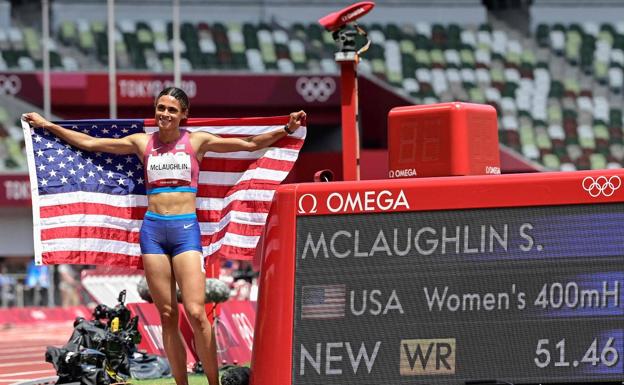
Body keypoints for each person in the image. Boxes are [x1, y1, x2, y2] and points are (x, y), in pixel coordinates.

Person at [23, 87, 306, 385]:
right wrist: (49, 126)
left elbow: (250, 144)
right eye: (161, 108)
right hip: (153, 232)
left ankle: (213, 382)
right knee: (168, 315)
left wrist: (286, 128)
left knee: (197, 313)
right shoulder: (141, 142)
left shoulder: (197, 141)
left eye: (172, 109)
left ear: (184, 115)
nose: (165, 114)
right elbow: (93, 143)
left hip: (185, 231)